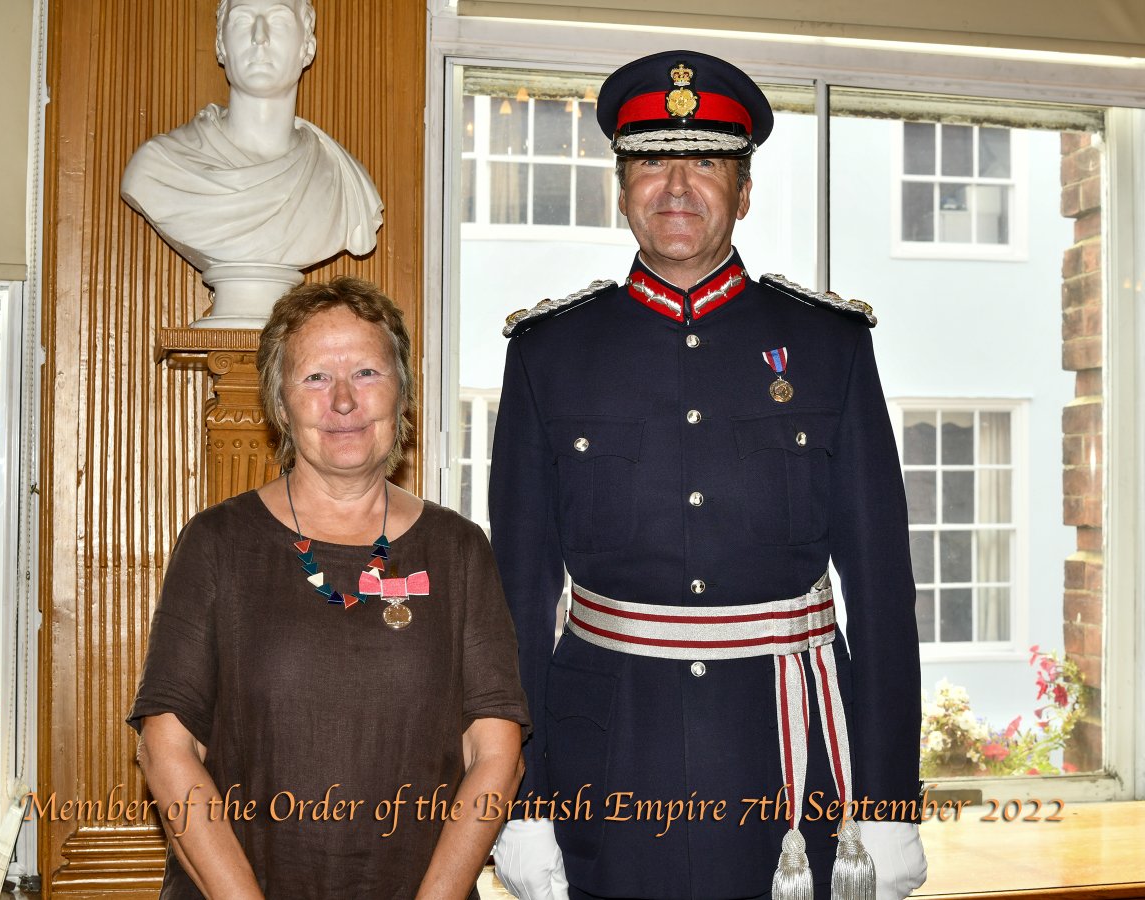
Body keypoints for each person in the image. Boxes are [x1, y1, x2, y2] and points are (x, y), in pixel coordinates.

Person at [489, 51, 928, 900]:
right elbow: (517, 599)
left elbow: (880, 590)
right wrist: (524, 801)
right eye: (652, 160)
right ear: (621, 188)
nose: (677, 185)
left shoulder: (832, 348)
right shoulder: (549, 355)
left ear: (746, 188)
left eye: (705, 162)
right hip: (609, 757)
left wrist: (886, 801)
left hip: (789, 757)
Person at [128, 276, 529, 899]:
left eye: (367, 373)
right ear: (280, 402)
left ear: (402, 394)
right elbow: (166, 751)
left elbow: (495, 756)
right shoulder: (216, 544)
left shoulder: (458, 551)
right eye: (315, 377)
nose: (343, 401)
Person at [120, 0, 383, 275]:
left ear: (308, 47)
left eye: (279, 21)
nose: (259, 37)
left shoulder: (340, 180)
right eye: (243, 20)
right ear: (221, 44)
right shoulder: (159, 169)